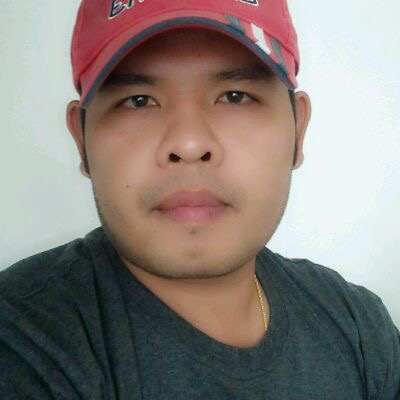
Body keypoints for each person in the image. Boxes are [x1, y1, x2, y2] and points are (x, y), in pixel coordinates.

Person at [0, 0, 399, 398]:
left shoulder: (361, 330)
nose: (189, 144)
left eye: (235, 96)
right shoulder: (22, 340)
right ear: (81, 140)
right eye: (138, 100)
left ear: (298, 130)